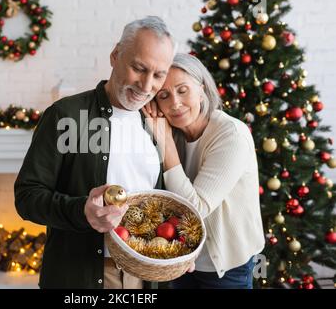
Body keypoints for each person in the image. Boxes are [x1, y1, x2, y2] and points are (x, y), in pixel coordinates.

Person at [14, 16, 175, 289]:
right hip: (81, 275)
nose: (147, 86)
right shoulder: (67, 116)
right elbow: (27, 196)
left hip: (143, 276)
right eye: (138, 68)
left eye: (158, 75)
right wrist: (81, 211)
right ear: (115, 56)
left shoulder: (157, 123)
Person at [142, 53, 265, 289]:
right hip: (182, 257)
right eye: (163, 95)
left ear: (201, 89)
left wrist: (165, 142)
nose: (174, 103)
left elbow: (195, 209)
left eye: (182, 90)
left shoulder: (231, 135)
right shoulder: (168, 131)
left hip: (226, 267)